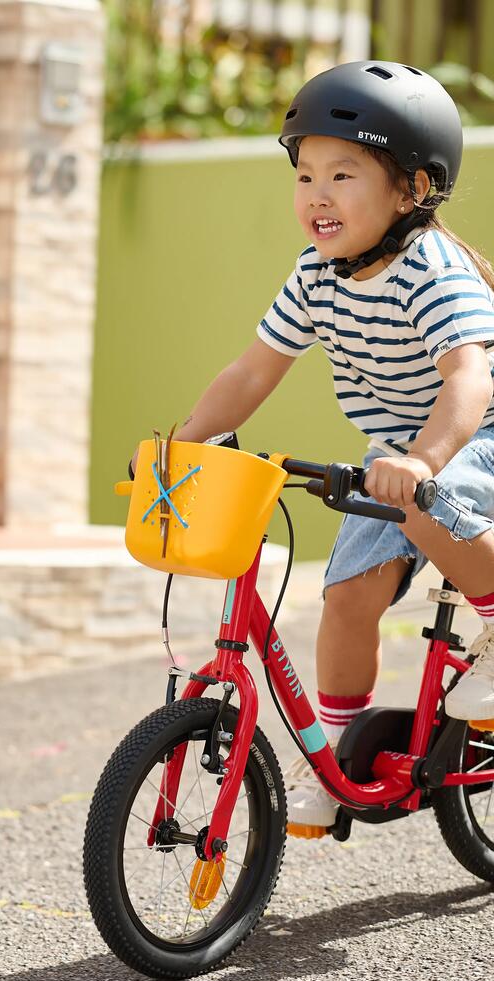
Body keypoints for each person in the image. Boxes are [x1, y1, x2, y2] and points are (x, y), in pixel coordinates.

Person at [151, 61, 494, 837]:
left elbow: (469, 379)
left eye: (344, 173)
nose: (318, 194)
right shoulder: (316, 275)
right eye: (305, 174)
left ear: (412, 190)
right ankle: (333, 756)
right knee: (345, 600)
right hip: (398, 446)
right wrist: (184, 443)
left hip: (476, 432)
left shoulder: (431, 273)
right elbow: (252, 369)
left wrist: (424, 462)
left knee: (423, 508)